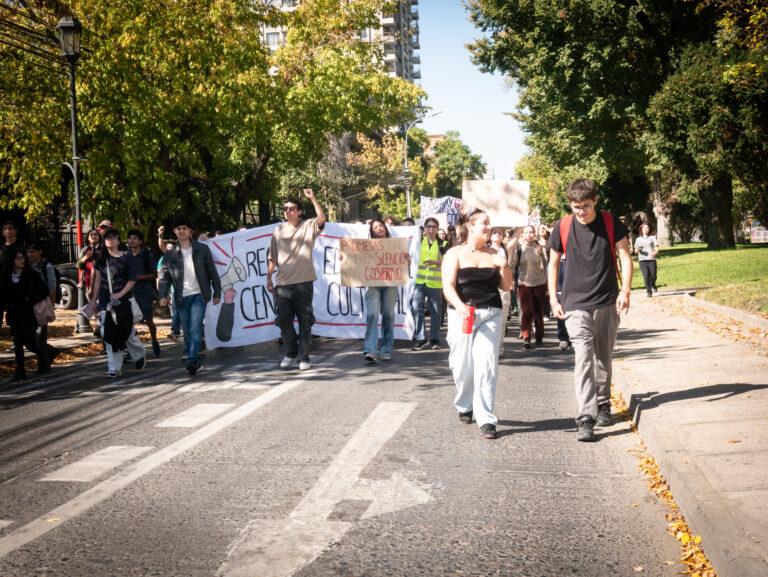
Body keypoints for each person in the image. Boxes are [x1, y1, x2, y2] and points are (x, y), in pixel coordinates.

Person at [547, 178, 632, 442]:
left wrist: (625, 290)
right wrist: (554, 298)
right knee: (583, 357)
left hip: (607, 299)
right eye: (575, 206)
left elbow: (625, 256)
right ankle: (586, 416)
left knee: (603, 355)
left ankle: (604, 403)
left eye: (585, 205)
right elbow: (552, 264)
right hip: (575, 303)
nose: (580, 211)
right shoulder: (562, 226)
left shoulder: (610, 221)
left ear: (595, 200)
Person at [442, 208, 513, 439]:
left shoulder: (495, 253)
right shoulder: (454, 253)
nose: (488, 227)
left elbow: (506, 287)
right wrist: (459, 305)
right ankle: (464, 404)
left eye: (489, 223)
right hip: (462, 314)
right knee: (462, 365)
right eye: (484, 223)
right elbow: (448, 286)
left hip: (490, 313)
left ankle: (486, 418)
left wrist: (504, 266)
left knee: (487, 365)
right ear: (470, 227)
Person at [266, 189, 327, 371]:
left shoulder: (308, 226)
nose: (288, 211)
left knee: (305, 320)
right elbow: (273, 256)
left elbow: (322, 219)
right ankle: (291, 352)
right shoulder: (278, 230)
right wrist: (269, 277)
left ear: (299, 211)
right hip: (282, 284)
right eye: (285, 209)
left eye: (292, 208)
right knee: (283, 319)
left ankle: (304, 357)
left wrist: (313, 198)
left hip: (303, 282)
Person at [158, 216, 221, 375]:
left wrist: (217, 292)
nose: (181, 231)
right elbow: (164, 277)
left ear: (190, 231)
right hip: (180, 296)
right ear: (174, 231)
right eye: (178, 229)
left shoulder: (202, 249)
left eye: (184, 228)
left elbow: (212, 272)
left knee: (195, 328)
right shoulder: (170, 254)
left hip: (199, 295)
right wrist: (162, 295)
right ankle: (193, 359)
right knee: (186, 330)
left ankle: (192, 359)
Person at [90, 229, 146, 378]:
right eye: (107, 238)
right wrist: (93, 301)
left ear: (118, 241)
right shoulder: (101, 259)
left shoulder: (127, 257)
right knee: (108, 333)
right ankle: (114, 368)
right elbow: (97, 280)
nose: (110, 240)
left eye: (113, 238)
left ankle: (139, 354)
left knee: (127, 332)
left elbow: (132, 279)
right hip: (105, 303)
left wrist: (120, 294)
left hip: (124, 302)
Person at [355, 219, 410, 362]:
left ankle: (386, 349)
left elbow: (405, 266)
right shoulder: (367, 246)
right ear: (371, 231)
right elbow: (355, 261)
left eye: (381, 226)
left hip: (390, 284)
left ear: (385, 228)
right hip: (372, 284)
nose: (379, 228)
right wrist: (345, 257)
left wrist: (407, 259)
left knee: (388, 315)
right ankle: (370, 350)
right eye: (375, 227)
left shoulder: (396, 245)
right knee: (372, 314)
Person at [0, 247, 51, 381]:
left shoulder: (30, 274)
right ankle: (20, 370)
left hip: (28, 313)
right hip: (14, 314)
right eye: (18, 258)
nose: (22, 260)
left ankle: (44, 356)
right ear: (12, 260)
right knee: (17, 343)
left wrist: (30, 298)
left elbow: (44, 290)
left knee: (30, 342)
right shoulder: (6, 275)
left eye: (23, 258)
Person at [508, 225, 548, 349]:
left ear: (534, 234)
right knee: (527, 311)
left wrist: (541, 254)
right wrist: (511, 250)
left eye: (531, 232)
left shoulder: (539, 247)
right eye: (526, 232)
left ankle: (539, 336)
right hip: (524, 283)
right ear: (523, 235)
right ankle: (526, 336)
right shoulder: (519, 248)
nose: (529, 234)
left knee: (538, 312)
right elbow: (511, 265)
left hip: (539, 283)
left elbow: (546, 264)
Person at [411, 216, 447, 350]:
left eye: (434, 227)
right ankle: (420, 338)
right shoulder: (418, 242)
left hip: (435, 283)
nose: (431, 229)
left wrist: (436, 262)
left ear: (437, 229)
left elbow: (450, 261)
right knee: (417, 309)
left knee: (436, 312)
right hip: (419, 282)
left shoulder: (444, 244)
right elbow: (411, 258)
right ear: (424, 228)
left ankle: (435, 339)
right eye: (429, 226)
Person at [127, 229, 161, 356]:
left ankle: (154, 342)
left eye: (134, 238)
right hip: (130, 294)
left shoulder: (147, 255)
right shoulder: (126, 256)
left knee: (148, 321)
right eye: (130, 238)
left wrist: (138, 277)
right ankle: (133, 349)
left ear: (140, 241)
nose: (131, 240)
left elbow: (153, 275)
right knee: (129, 323)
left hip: (144, 293)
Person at [26, 242, 60, 362]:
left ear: (40, 252)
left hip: (42, 304)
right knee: (29, 338)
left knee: (41, 335)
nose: (30, 254)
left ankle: (43, 362)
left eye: (33, 251)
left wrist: (51, 304)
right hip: (29, 305)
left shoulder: (46, 265)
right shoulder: (26, 265)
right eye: (28, 251)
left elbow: (52, 286)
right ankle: (50, 351)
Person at [489, 227, 511, 356]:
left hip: (503, 288)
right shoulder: (485, 250)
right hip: (490, 287)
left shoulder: (505, 249)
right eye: (495, 233)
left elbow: (515, 238)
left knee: (502, 320)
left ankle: (499, 348)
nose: (498, 235)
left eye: (500, 233)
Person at [156, 238, 180, 341]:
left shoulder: (181, 257)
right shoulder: (163, 259)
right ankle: (174, 331)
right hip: (172, 289)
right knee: (175, 310)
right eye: (168, 247)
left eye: (172, 247)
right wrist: (163, 294)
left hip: (185, 289)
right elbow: (161, 277)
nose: (170, 250)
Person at [634, 222, 659, 297]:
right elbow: (635, 251)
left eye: (647, 228)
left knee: (653, 275)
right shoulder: (638, 239)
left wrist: (655, 252)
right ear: (641, 229)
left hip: (651, 259)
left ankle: (653, 284)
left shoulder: (652, 237)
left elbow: (657, 248)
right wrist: (637, 250)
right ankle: (649, 291)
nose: (645, 229)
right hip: (642, 260)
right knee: (645, 275)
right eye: (644, 228)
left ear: (649, 229)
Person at [76, 228, 104, 296]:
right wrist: (85, 258)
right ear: (88, 238)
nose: (93, 236)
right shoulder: (85, 249)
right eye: (91, 235)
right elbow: (78, 265)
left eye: (95, 234)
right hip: (88, 284)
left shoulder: (103, 248)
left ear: (99, 237)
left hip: (102, 283)